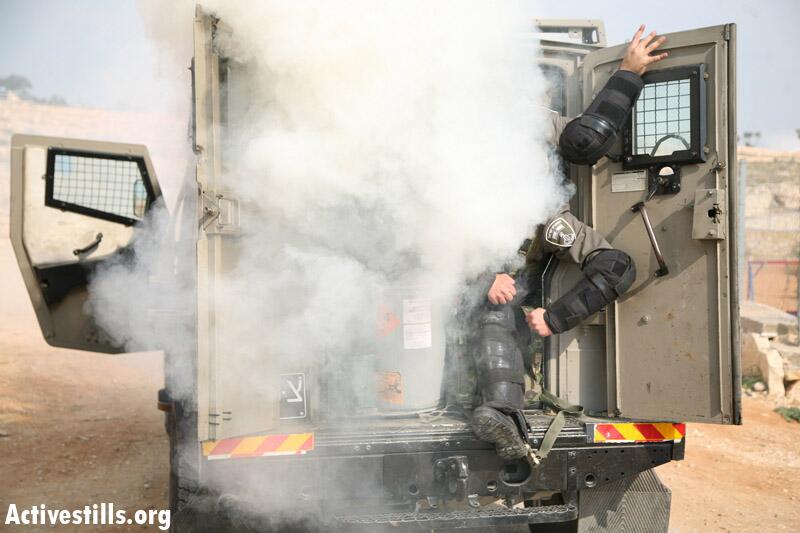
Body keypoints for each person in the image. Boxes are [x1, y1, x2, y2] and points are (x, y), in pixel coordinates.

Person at [471, 26, 669, 460]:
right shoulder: (458, 134)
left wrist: (555, 318)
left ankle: (505, 406)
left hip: (537, 219)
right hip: (474, 241)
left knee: (607, 268)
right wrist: (487, 275)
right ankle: (500, 412)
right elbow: (435, 233)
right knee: (494, 303)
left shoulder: (531, 120)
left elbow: (584, 141)